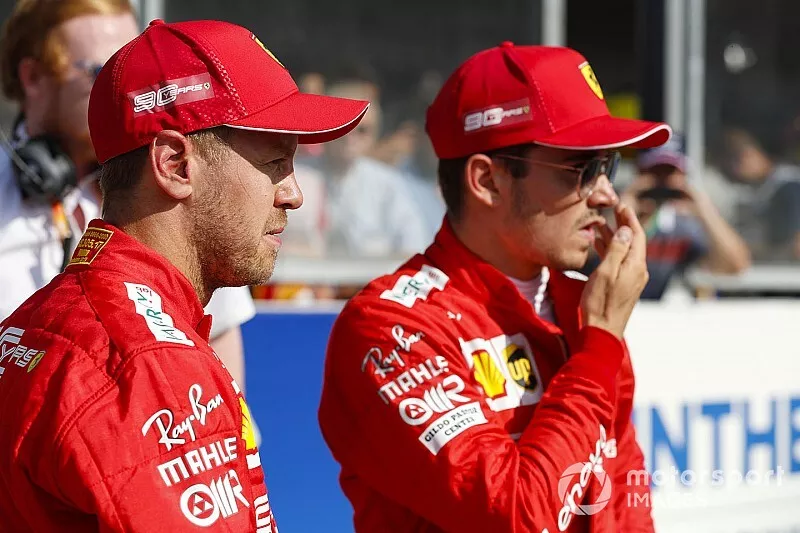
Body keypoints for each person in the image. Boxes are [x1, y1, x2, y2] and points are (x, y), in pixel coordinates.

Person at [0, 18, 368, 531]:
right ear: (175, 164)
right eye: (274, 162)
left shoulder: (47, 315)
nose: (293, 193)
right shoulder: (150, 366)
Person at [318, 42, 669, 532]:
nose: (607, 195)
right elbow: (516, 518)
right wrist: (597, 351)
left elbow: (621, 491)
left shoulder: (581, 305)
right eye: (582, 170)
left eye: (608, 166)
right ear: (488, 181)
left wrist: (599, 343)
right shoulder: (392, 328)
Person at [0, 0, 257, 393]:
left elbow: (222, 355)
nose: (130, 87)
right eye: (103, 72)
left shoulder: (173, 176)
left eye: (134, 68)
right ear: (33, 77)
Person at [599, 133, 750, 299]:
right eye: (655, 172)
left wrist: (703, 208)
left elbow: (736, 266)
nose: (662, 181)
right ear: (640, 172)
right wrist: (625, 208)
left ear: (683, 175)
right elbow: (591, 254)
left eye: (670, 172)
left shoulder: (685, 223)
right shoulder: (612, 208)